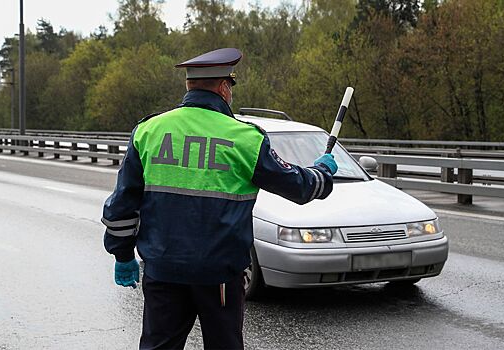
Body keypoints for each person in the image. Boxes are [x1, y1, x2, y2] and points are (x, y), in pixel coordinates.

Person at [101, 48, 337, 350]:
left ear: (189, 86)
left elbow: (122, 205)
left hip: (163, 270)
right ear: (224, 87)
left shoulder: (148, 131)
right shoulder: (245, 138)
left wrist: (122, 254)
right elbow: (299, 187)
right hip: (220, 276)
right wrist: (323, 172)